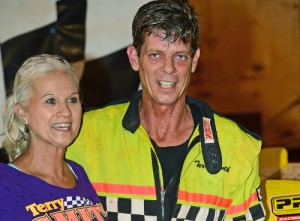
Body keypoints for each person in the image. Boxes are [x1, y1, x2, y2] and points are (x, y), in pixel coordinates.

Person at [66, 0, 266, 220]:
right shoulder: (84, 135)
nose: (168, 68)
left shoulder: (238, 148)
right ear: (134, 58)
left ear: (194, 61)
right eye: (155, 55)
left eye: (179, 56)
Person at [0, 54, 108, 221]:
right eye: (50, 101)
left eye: (72, 99)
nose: (65, 111)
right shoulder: (5, 184)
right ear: (22, 113)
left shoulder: (77, 172)